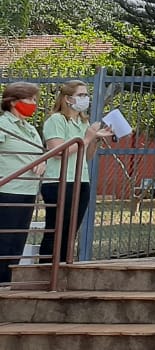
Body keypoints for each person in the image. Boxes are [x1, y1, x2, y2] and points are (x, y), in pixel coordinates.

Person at [40, 81, 97, 263]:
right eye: (81, 95)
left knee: (70, 232)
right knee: (56, 231)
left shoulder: (82, 122)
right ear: (67, 98)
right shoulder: (56, 120)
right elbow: (58, 152)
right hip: (59, 181)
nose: (85, 99)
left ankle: (63, 268)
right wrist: (85, 138)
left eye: (86, 95)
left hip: (81, 179)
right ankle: (47, 269)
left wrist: (94, 139)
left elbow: (86, 154)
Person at [0, 82, 45, 284]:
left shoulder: (31, 129)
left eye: (35, 100)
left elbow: (39, 153)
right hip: (8, 190)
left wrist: (42, 161)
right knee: (4, 242)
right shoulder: (4, 125)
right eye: (29, 99)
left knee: (17, 244)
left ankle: (8, 285)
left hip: (28, 190)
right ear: (13, 102)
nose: (33, 104)